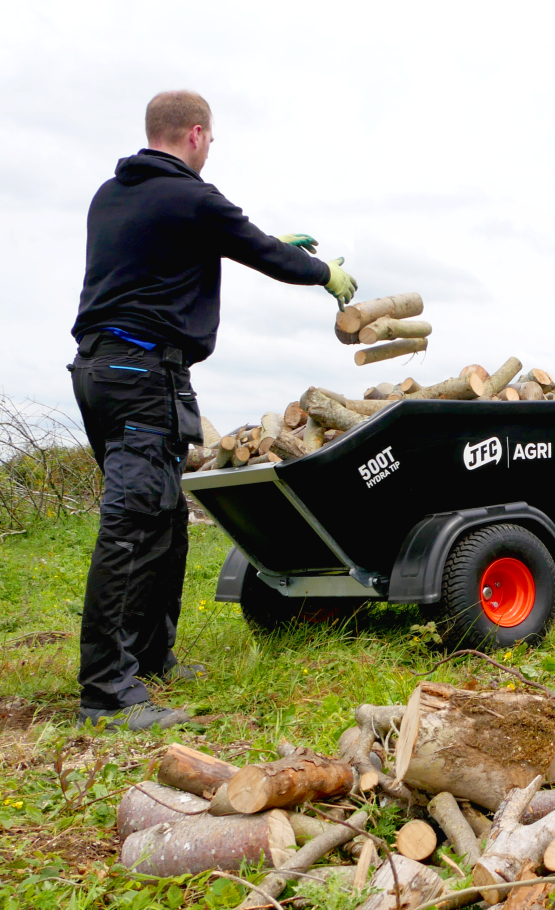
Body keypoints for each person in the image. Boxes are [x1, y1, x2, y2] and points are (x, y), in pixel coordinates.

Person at [69, 90, 356, 730]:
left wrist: (246, 239)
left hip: (104, 374)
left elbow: (168, 258)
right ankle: (105, 693)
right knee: (132, 524)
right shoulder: (194, 196)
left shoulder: (112, 196)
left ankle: (150, 655)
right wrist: (322, 273)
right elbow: (260, 251)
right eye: (212, 139)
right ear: (196, 135)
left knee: (165, 517)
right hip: (142, 375)